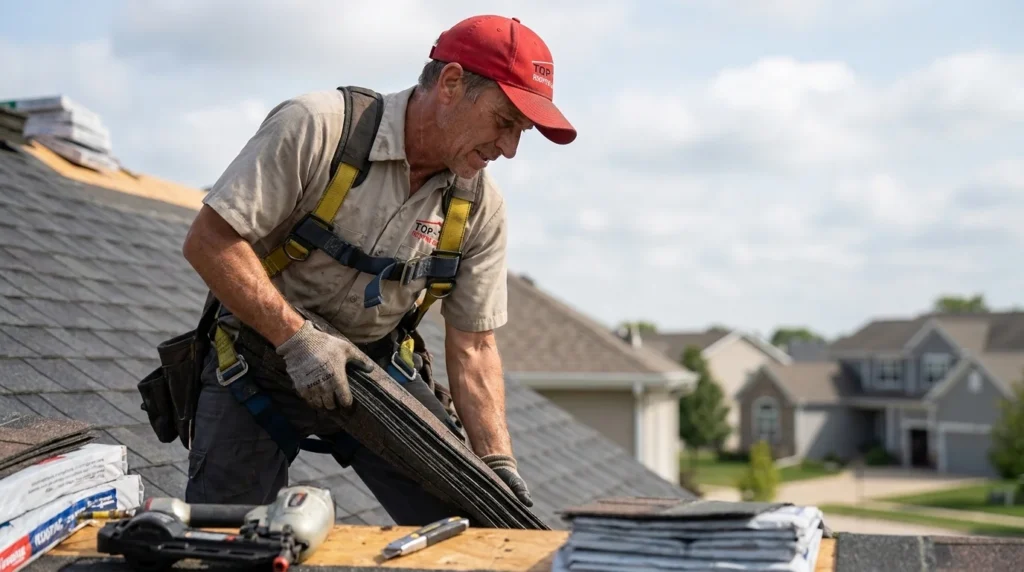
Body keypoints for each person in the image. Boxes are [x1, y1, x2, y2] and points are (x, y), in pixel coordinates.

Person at [178, 14, 576, 525]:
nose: (510, 148)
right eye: (505, 122)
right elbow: (209, 242)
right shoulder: (318, 128)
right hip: (258, 362)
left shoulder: (479, 207)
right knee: (220, 543)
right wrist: (297, 339)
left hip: (374, 372)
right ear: (452, 83)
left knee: (473, 525)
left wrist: (496, 461)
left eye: (521, 132)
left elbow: (474, 345)